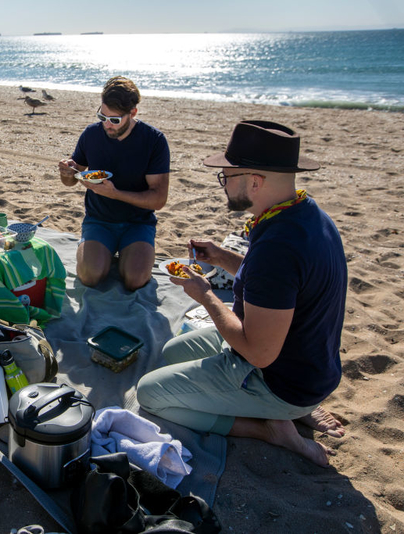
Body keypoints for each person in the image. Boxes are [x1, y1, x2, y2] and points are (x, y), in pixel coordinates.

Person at [136, 120, 347, 466]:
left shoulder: (277, 249)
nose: (223, 184)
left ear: (254, 181)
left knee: (151, 395)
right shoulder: (304, 215)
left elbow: (259, 353)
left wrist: (205, 295)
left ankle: (272, 428)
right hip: (307, 363)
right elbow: (273, 285)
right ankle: (293, 409)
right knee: (173, 353)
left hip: (278, 377)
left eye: (227, 176)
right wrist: (220, 257)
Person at [58, 76, 170, 290]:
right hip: (99, 220)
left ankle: (125, 255)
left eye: (115, 120)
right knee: (90, 277)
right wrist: (67, 172)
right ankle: (103, 253)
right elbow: (71, 180)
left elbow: (159, 199)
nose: (107, 124)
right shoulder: (91, 134)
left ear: (133, 113)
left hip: (137, 223)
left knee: (135, 280)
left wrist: (115, 193)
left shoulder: (154, 140)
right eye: (102, 116)